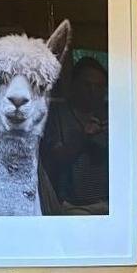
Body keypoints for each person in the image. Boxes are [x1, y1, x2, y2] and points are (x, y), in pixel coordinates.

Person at [42, 56, 109, 212]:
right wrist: (82, 137)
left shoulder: (112, 114)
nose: (92, 91)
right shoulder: (56, 115)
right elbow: (53, 161)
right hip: (70, 205)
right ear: (73, 85)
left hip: (108, 203)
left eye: (99, 86)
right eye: (87, 85)